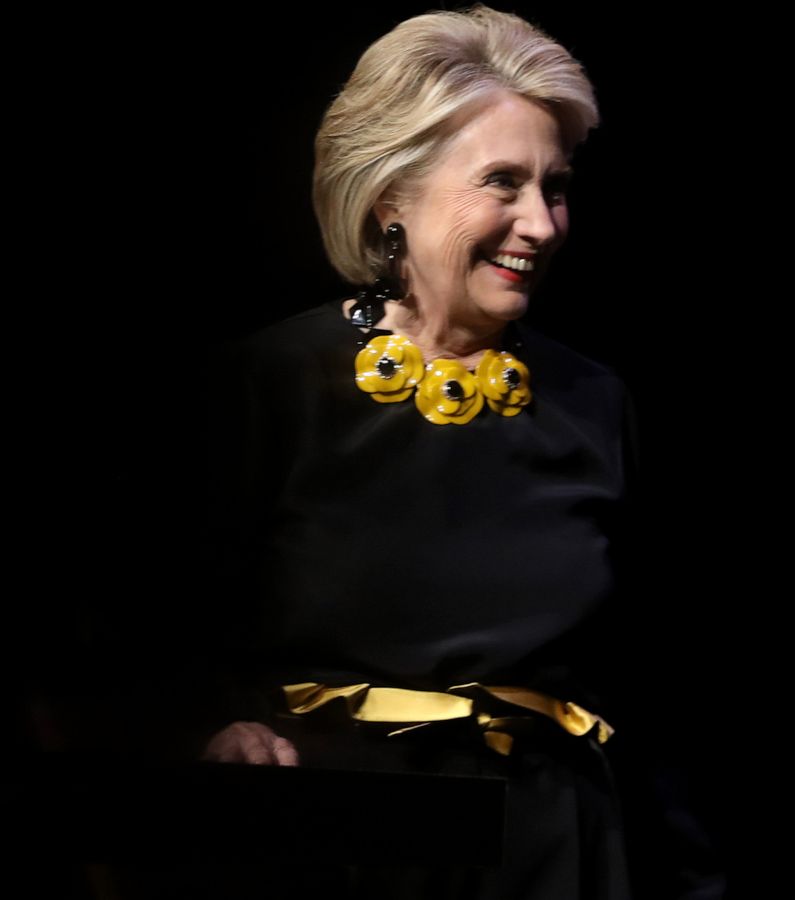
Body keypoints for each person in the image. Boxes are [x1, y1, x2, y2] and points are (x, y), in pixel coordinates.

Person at [196, 6, 639, 898]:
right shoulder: (272, 385)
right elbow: (144, 622)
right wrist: (211, 727)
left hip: (551, 852)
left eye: (555, 187)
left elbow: (662, 669)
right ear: (391, 195)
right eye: (502, 183)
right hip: (335, 844)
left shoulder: (593, 403)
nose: (542, 224)